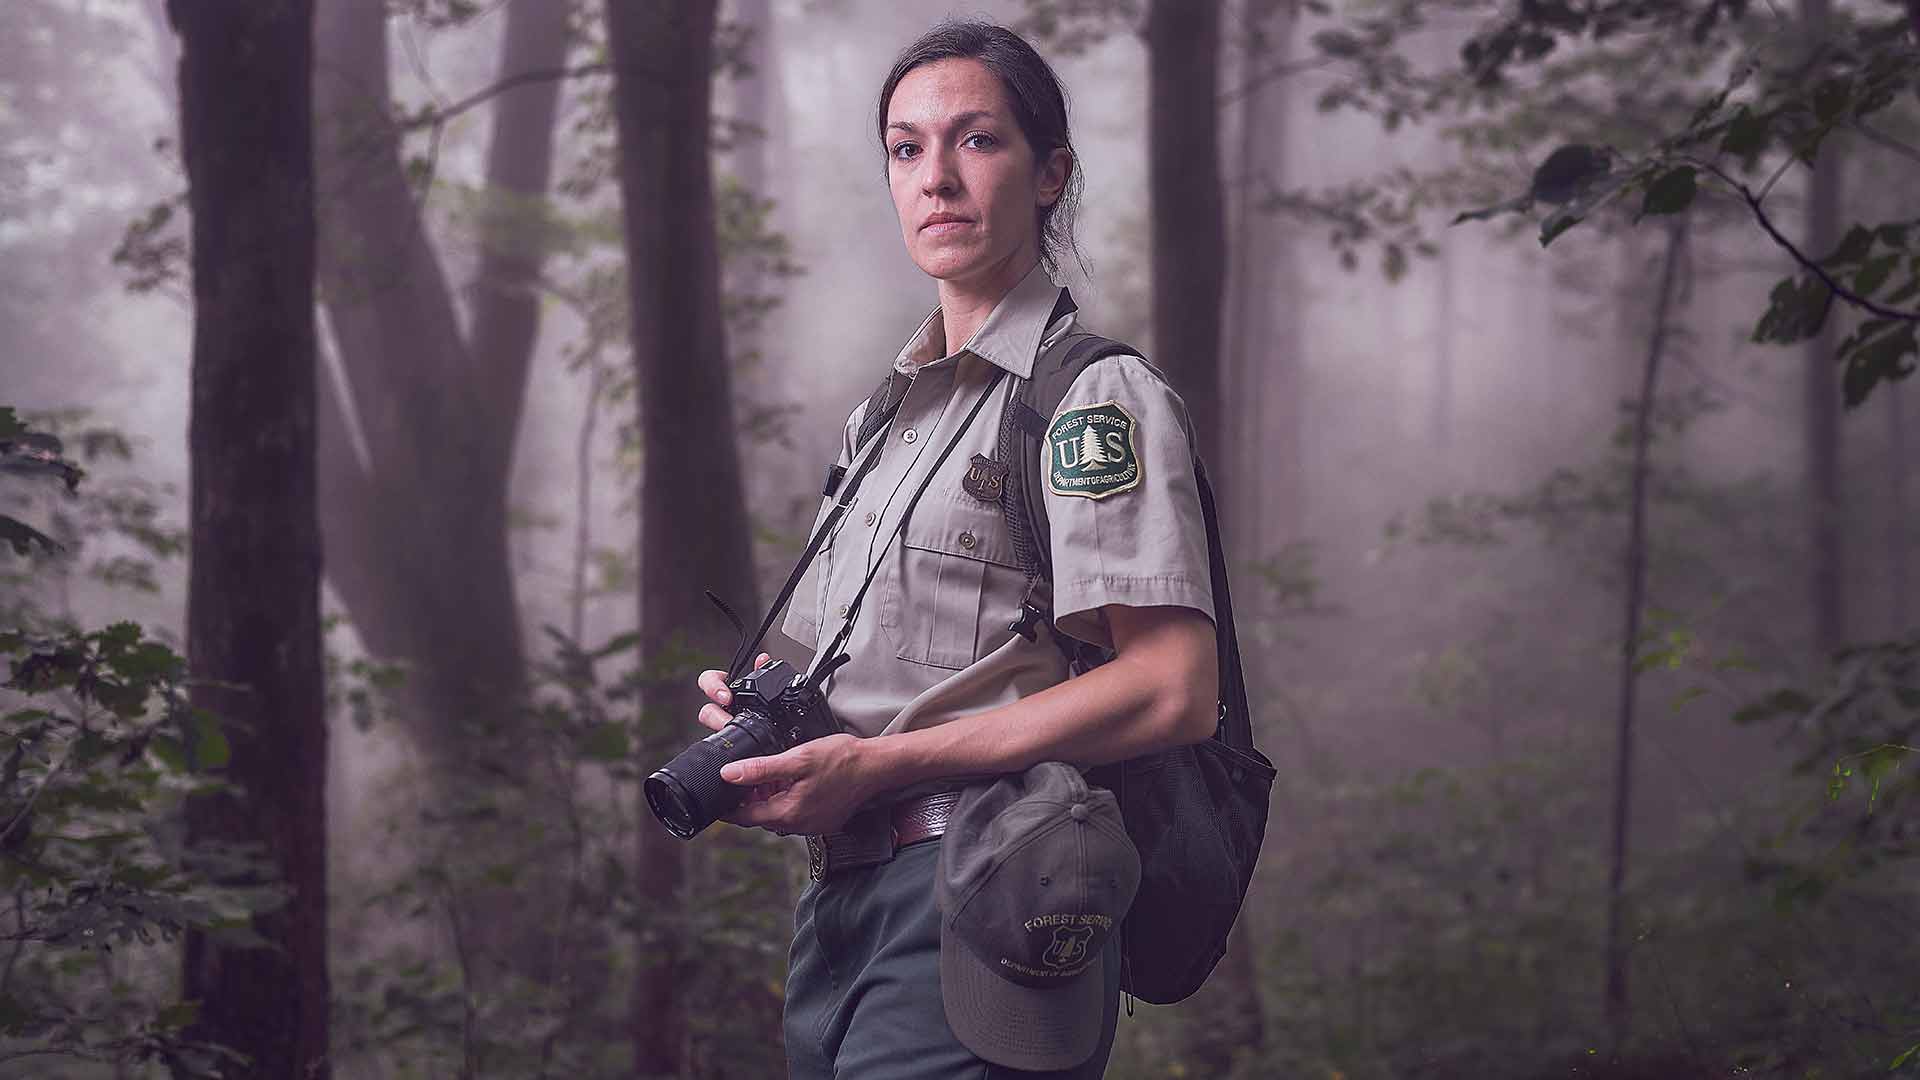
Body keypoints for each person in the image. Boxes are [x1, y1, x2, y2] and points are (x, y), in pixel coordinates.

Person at [693, 18, 1219, 1078]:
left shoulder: (1088, 400)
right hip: (843, 904)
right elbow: (865, 673)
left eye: (976, 141)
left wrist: (877, 762)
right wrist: (764, 721)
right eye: (906, 148)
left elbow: (1174, 690)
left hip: (991, 885)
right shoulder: (883, 422)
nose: (936, 177)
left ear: (1049, 175)